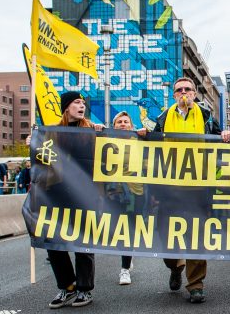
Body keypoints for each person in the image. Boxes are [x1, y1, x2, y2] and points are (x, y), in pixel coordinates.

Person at [152, 77, 230, 304]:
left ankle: (196, 285)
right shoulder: (163, 118)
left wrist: (225, 135)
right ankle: (175, 267)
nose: (184, 93)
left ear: (195, 94)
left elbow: (221, 141)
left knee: (196, 236)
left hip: (199, 188)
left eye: (188, 89)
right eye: (179, 90)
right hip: (170, 188)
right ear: (174, 95)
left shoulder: (206, 117)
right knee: (167, 237)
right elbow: (151, 148)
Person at [44, 91, 105, 308]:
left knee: (83, 243)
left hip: (84, 194)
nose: (81, 106)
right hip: (57, 194)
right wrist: (32, 140)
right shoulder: (51, 132)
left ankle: (84, 289)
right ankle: (67, 287)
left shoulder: (92, 130)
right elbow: (42, 158)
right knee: (54, 243)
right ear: (66, 107)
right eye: (76, 102)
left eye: (82, 103)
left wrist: (101, 134)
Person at [106, 111, 147, 286]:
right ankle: (126, 262)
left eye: (126, 121)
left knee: (130, 229)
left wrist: (147, 135)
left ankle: (125, 265)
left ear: (131, 125)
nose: (123, 124)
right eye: (119, 122)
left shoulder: (139, 141)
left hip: (136, 193)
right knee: (118, 230)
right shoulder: (106, 142)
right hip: (114, 192)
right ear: (114, 126)